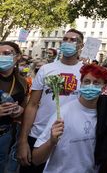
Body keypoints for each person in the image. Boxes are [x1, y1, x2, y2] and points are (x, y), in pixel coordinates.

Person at [18, 29, 85, 173]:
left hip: (68, 139)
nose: (68, 42)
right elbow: (32, 105)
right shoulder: (45, 69)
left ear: (81, 45)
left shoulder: (86, 72)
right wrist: (23, 141)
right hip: (38, 136)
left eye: (73, 40)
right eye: (65, 39)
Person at [32, 64, 107, 172]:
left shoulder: (105, 114)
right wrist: (51, 142)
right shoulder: (62, 114)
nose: (90, 86)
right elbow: (36, 159)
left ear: (104, 87)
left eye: (96, 83)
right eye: (87, 81)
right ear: (81, 84)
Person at [0, 42, 26, 172]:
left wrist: (19, 110)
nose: (1, 57)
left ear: (17, 57)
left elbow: (24, 107)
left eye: (6, 53)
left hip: (6, 136)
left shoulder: (22, 82)